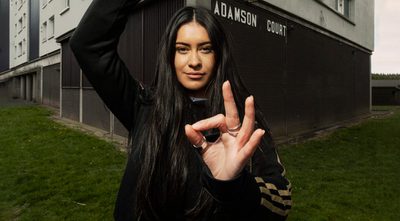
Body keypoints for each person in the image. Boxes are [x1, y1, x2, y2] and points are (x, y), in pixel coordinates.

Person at [70, 0, 292, 220]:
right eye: (182, 49)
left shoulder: (242, 121)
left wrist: (234, 185)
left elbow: (281, 202)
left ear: (218, 56)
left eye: (205, 49)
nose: (194, 61)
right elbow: (88, 44)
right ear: (170, 56)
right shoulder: (144, 106)